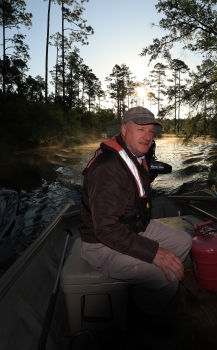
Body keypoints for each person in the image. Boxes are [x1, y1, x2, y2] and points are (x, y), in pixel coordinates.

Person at [78, 106, 192, 320]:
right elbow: (106, 229)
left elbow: (133, 193)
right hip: (102, 245)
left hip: (134, 227)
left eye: (151, 131)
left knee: (184, 241)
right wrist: (153, 253)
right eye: (141, 129)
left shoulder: (135, 157)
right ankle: (140, 314)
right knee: (167, 279)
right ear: (123, 129)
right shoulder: (108, 168)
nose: (148, 137)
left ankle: (143, 291)